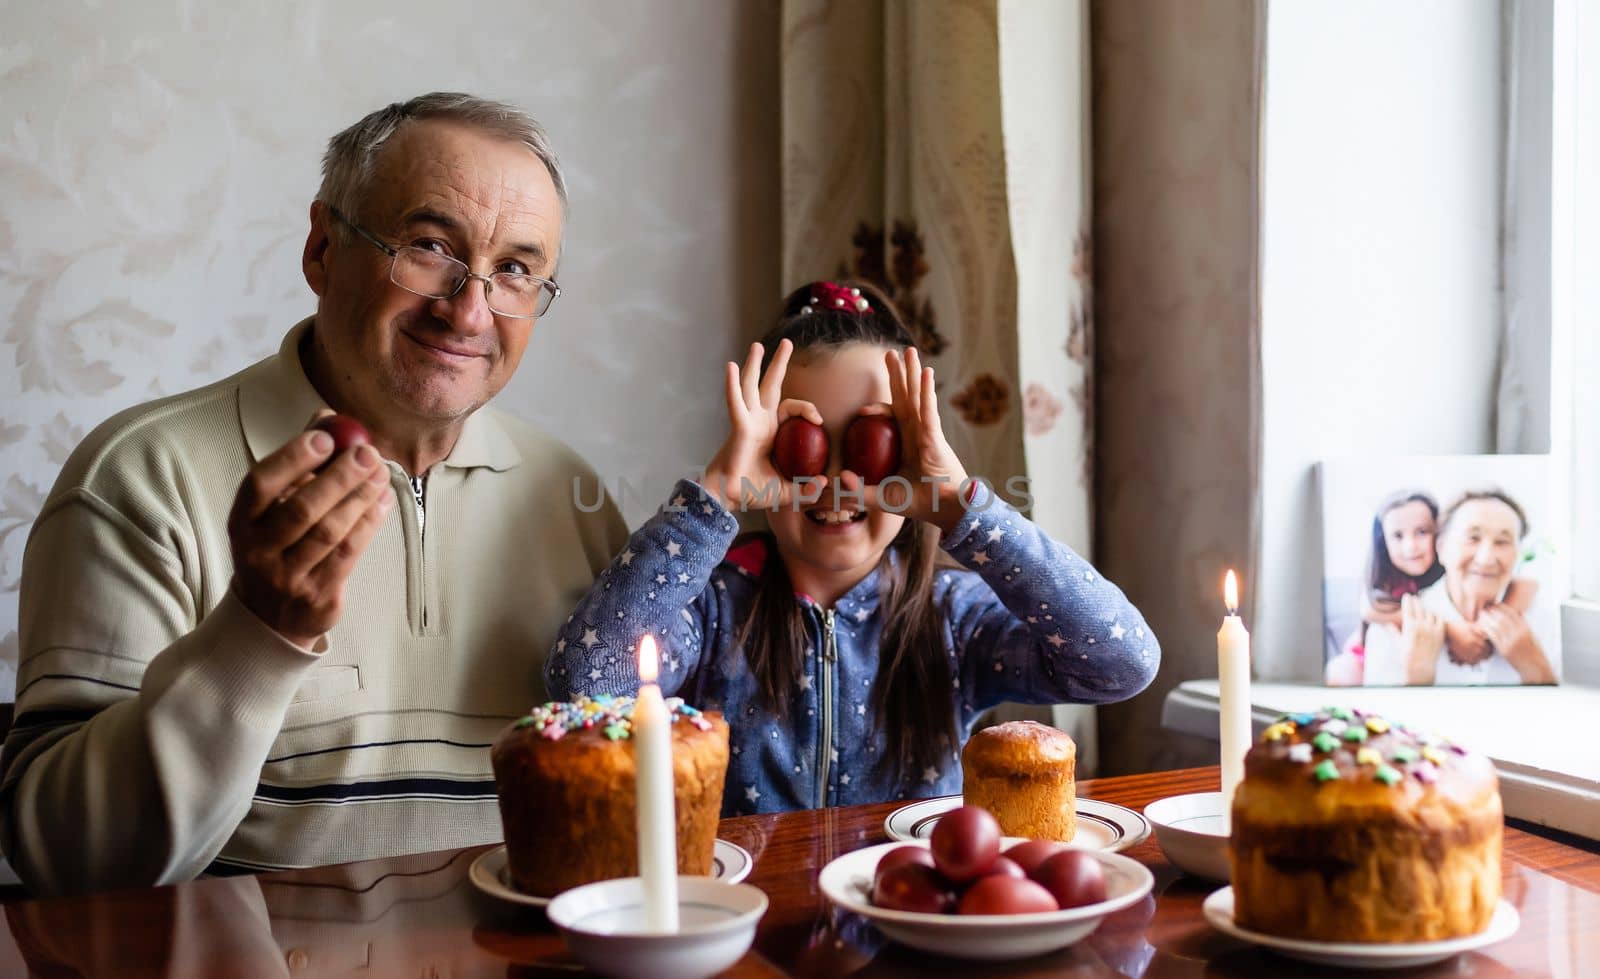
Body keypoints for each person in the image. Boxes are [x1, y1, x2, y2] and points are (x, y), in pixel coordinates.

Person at [1, 93, 628, 896]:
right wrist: (256, 633)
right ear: (323, 248)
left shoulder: (570, 497)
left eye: (514, 269)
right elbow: (64, 857)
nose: (469, 309)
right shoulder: (139, 476)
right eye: (430, 246)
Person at [545, 281, 1159, 812]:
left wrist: (964, 509)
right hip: (747, 919)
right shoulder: (712, 609)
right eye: (801, 442)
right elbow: (587, 682)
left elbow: (1120, 663)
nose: (838, 481)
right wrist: (714, 500)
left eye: (873, 443)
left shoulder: (952, 617)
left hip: (910, 916)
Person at [1325, 491, 1535, 686]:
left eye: (1422, 532)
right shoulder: (1387, 586)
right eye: (1398, 536)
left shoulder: (1454, 572)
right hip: (1362, 655)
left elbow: (1527, 585)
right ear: (1383, 543)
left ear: (1440, 537)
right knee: (1339, 673)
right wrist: (1451, 629)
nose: (1411, 547)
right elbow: (1369, 609)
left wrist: (1494, 623)